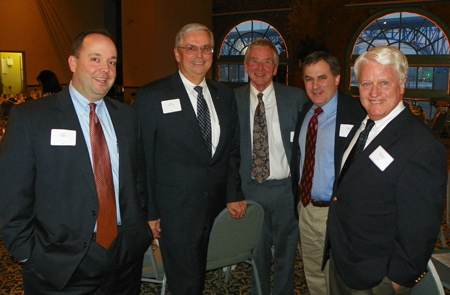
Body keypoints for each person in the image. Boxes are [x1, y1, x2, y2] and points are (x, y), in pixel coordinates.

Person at [0, 28, 152, 294]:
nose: (105, 69)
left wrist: (139, 232)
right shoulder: (31, 118)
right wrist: (28, 254)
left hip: (124, 255)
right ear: (73, 63)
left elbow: (137, 180)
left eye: (112, 61)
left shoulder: (127, 117)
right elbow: (11, 194)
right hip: (59, 263)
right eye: (95, 59)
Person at [133, 23, 247, 295]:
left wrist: (233, 193)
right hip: (176, 211)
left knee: (205, 274)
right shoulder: (152, 96)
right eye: (190, 48)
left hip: (217, 206)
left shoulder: (224, 94)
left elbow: (231, 151)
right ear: (177, 53)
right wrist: (149, 212)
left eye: (205, 48)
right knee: (186, 284)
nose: (199, 54)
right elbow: (143, 158)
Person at [324, 46, 447, 295]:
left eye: (384, 83)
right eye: (366, 84)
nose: (374, 93)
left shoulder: (421, 145)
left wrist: (395, 279)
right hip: (343, 259)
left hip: (376, 277)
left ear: (401, 85)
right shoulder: (364, 124)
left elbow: (421, 226)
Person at [234, 38, 307, 295]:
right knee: (257, 252)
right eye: (255, 61)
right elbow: (228, 153)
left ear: (276, 68)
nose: (261, 67)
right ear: (246, 65)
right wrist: (233, 192)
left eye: (267, 62)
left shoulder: (296, 98)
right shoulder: (232, 101)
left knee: (288, 252)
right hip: (250, 190)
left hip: (286, 190)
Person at [291, 51, 365, 295]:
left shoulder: (358, 114)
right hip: (306, 210)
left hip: (337, 214)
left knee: (340, 280)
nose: (315, 85)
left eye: (322, 77)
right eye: (309, 79)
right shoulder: (306, 113)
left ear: (336, 78)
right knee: (313, 274)